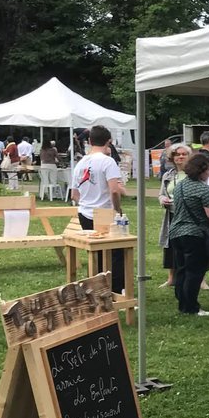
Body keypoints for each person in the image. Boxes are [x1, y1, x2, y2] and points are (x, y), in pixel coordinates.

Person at [167, 152, 209, 316]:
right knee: (195, 272)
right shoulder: (203, 189)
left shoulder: (180, 185)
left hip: (176, 232)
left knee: (182, 270)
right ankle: (192, 307)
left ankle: (182, 304)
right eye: (208, 169)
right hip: (194, 234)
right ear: (202, 170)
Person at [70, 125, 126, 293]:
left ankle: (95, 289)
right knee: (115, 253)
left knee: (96, 254)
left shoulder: (80, 163)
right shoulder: (108, 162)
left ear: (89, 141)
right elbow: (115, 190)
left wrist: (87, 202)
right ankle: (116, 290)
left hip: (84, 212)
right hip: (104, 212)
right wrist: (117, 210)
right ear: (109, 141)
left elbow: (74, 194)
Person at [158, 143, 192, 288]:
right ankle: (172, 278)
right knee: (171, 246)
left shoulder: (194, 174)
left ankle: (199, 279)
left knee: (191, 248)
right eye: (177, 154)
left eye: (184, 154)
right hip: (171, 215)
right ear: (172, 157)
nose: (181, 157)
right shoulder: (168, 175)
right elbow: (161, 194)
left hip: (189, 216)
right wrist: (162, 200)